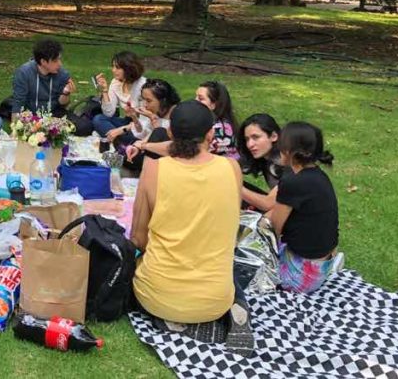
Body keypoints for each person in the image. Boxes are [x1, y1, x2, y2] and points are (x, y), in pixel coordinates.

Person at [131, 100, 252, 356]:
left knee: (141, 268)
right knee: (233, 267)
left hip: (158, 295)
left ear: (170, 133)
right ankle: (238, 307)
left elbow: (138, 238)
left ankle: (172, 321)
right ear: (210, 134)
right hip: (217, 300)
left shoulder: (153, 170)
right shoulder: (231, 168)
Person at [269, 122, 342, 294]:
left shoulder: (293, 182)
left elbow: (274, 229)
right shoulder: (319, 175)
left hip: (301, 275)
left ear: (289, 151)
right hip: (324, 262)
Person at [1, 38, 94, 136]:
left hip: (54, 114)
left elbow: (63, 104)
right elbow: (18, 103)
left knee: (85, 127)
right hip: (30, 114)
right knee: (29, 132)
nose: (59, 64)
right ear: (43, 61)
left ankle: (48, 130)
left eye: (59, 59)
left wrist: (66, 92)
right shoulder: (24, 73)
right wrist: (15, 129)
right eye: (55, 60)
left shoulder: (62, 74)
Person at [123, 78, 181, 171]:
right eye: (143, 100)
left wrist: (153, 119)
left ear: (163, 100)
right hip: (147, 145)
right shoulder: (153, 109)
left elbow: (160, 136)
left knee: (130, 158)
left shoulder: (177, 114)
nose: (145, 105)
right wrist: (134, 117)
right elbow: (141, 134)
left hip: (167, 154)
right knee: (125, 146)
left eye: (149, 101)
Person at [93, 51, 146, 146]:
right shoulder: (115, 82)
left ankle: (119, 142)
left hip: (141, 127)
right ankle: (121, 143)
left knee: (132, 136)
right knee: (98, 119)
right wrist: (105, 90)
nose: (113, 70)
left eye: (117, 67)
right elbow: (109, 113)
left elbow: (145, 123)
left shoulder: (143, 86)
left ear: (129, 68)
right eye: (113, 66)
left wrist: (120, 130)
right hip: (127, 121)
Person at [237, 113, 287, 212]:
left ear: (274, 136)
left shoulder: (287, 161)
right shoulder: (264, 157)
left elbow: (268, 204)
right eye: (247, 139)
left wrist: (233, 186)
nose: (250, 144)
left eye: (256, 137)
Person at [196, 80, 239, 160]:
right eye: (196, 97)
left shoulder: (221, 130)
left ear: (213, 104)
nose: (195, 101)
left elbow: (196, 155)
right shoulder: (210, 123)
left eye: (200, 99)